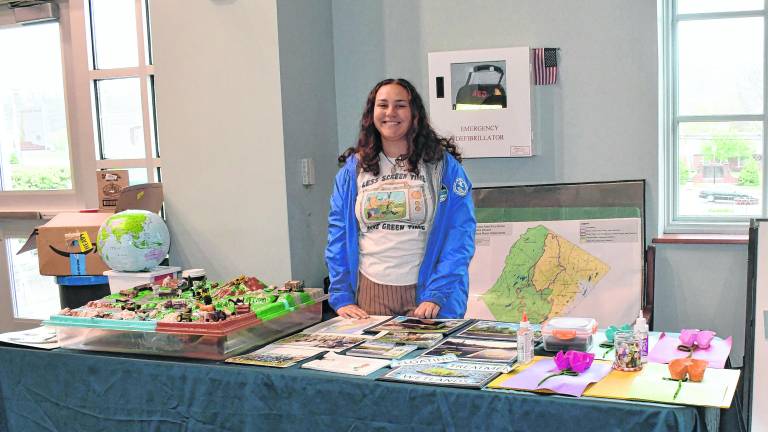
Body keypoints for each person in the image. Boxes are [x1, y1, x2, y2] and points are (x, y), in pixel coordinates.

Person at [325, 78, 476, 320]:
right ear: (371, 113)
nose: (390, 113)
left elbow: (460, 235)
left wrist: (436, 294)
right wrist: (341, 296)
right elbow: (338, 237)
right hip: (369, 295)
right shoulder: (352, 171)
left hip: (427, 297)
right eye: (382, 105)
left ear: (414, 112)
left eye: (400, 105)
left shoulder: (442, 168)